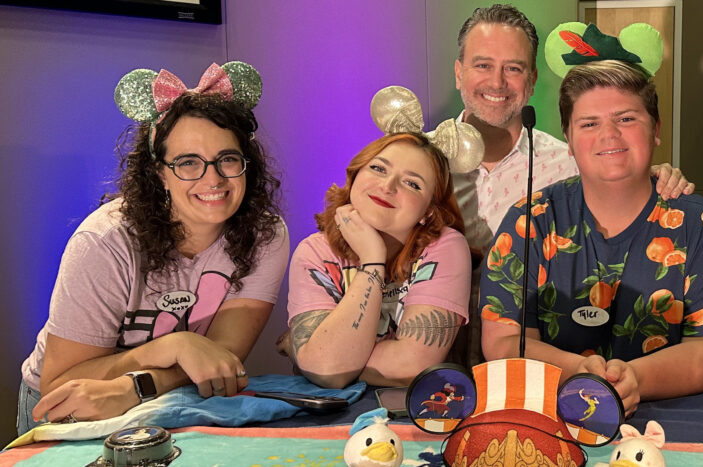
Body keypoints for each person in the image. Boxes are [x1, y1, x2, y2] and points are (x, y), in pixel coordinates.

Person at [479, 25, 703, 417]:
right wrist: (579, 373)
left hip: (678, 422)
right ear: (568, 140)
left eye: (626, 119)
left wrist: (634, 379)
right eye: (589, 124)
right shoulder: (530, 223)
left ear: (655, 130)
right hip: (552, 417)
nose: (608, 135)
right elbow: (504, 340)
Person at [21, 62, 289, 434]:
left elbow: (221, 361)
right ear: (159, 172)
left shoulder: (266, 234)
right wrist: (171, 347)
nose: (213, 178)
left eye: (227, 159)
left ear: (247, 165)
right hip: (73, 408)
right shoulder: (104, 242)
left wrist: (137, 386)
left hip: (172, 398)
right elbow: (61, 382)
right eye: (188, 163)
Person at [452, 4, 694, 367]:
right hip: (428, 365)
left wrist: (651, 175)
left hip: (539, 370)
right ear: (459, 73)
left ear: (532, 80)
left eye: (513, 68)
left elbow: (620, 179)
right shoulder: (414, 163)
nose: (497, 82)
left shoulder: (569, 161)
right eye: (483, 65)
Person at [285, 90, 476, 388]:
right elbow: (325, 367)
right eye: (378, 168)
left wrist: (324, 357)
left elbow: (412, 367)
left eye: (412, 183)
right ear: (355, 176)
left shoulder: (446, 247)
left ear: (427, 211)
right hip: (327, 419)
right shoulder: (313, 252)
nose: (387, 186)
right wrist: (373, 260)